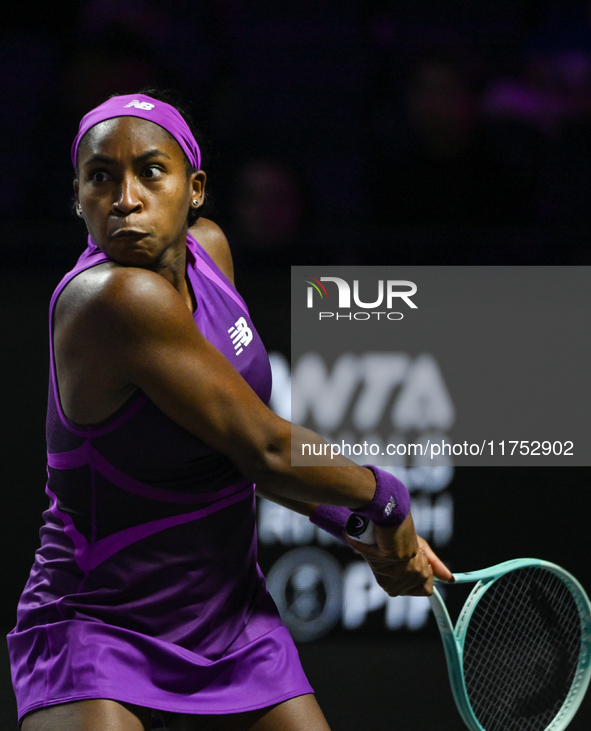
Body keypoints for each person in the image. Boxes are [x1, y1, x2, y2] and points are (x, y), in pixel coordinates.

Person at [7, 90, 452, 731]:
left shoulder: (211, 253)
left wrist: (356, 529)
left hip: (231, 619)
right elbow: (267, 450)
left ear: (196, 189)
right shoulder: (111, 299)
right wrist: (387, 503)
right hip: (99, 629)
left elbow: (229, 449)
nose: (126, 199)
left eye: (151, 171)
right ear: (77, 196)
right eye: (100, 177)